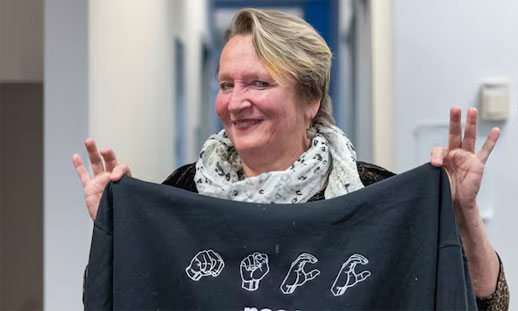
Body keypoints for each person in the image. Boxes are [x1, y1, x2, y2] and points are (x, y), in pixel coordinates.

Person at [73, 8, 509, 309]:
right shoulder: (184, 192)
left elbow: (488, 303)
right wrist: (115, 226)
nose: (235, 102)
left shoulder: (374, 194)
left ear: (311, 99)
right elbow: (119, 297)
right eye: (226, 85)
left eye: (259, 83)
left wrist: (463, 211)